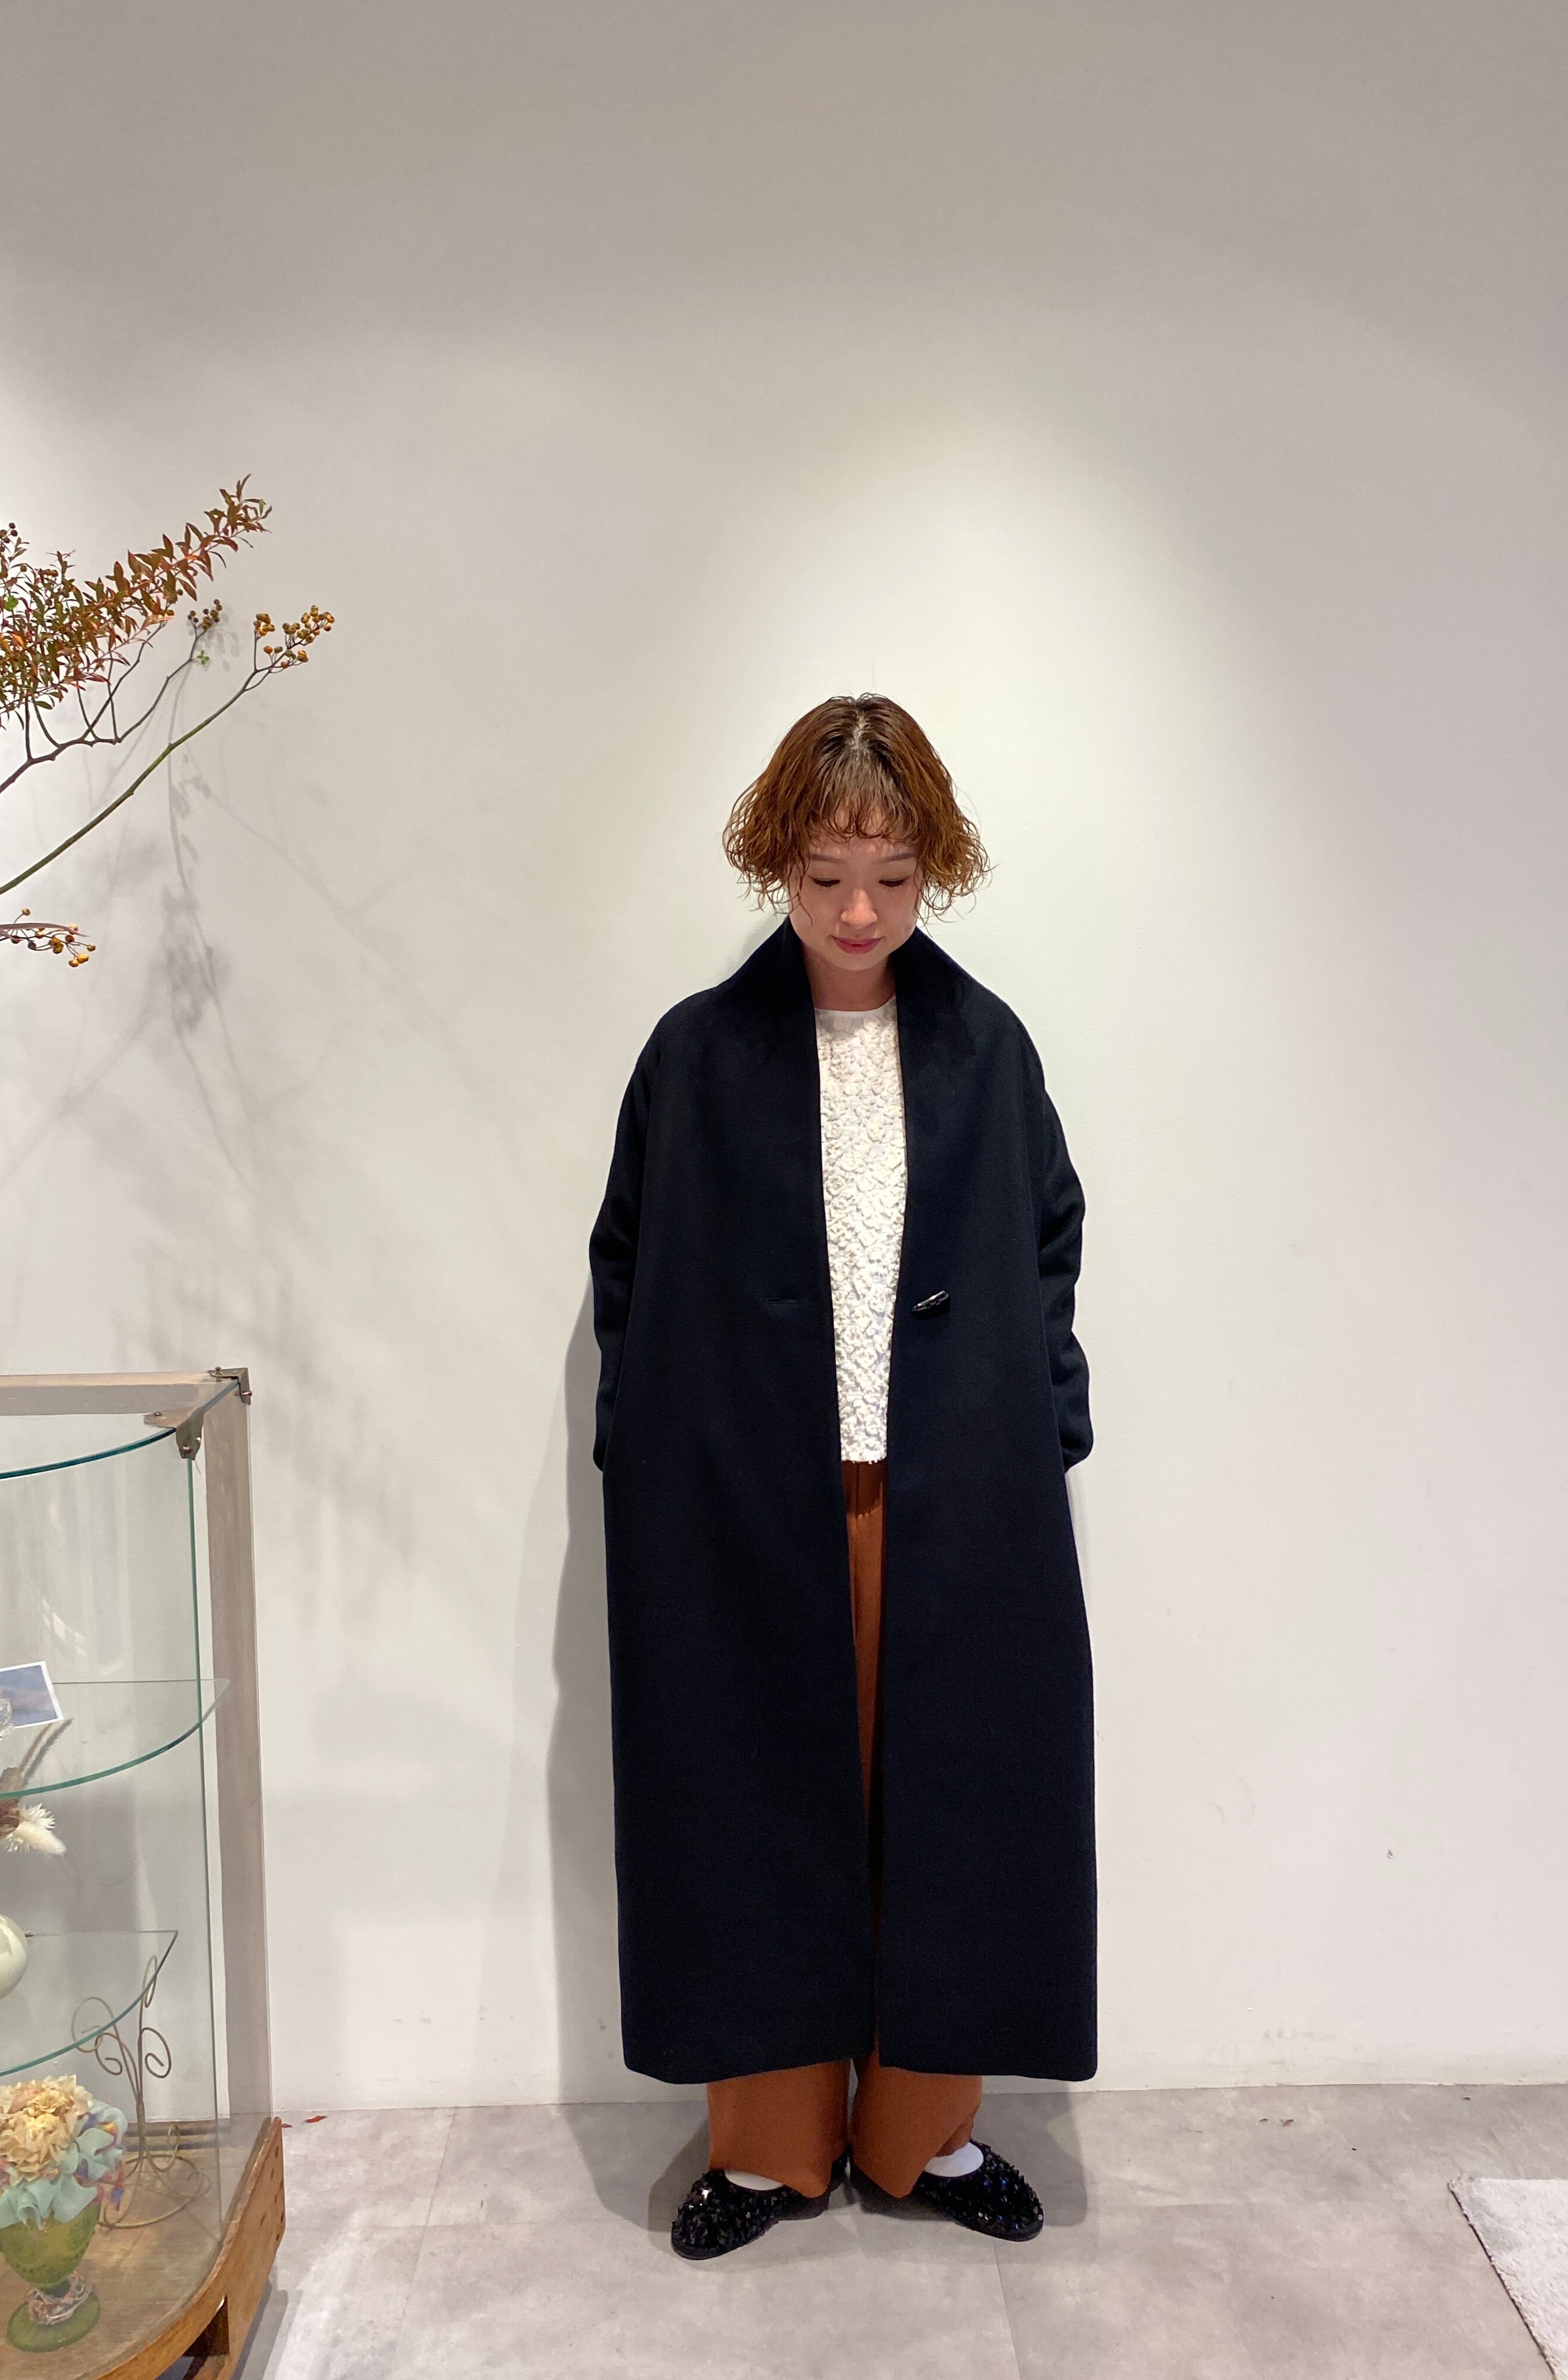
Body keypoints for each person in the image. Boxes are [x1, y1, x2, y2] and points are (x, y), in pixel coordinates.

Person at [588, 694, 1095, 2261]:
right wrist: (645, 1448)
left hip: (952, 1499)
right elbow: (629, 1266)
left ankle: (922, 2135)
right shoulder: (697, 1054)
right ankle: (771, 2152)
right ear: (777, 867)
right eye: (825, 877)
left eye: (892, 876)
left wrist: (1045, 1421)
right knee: (753, 1804)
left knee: (956, 1816)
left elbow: (1049, 1240)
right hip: (748, 1503)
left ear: (934, 867)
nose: (860, 911)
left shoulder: (986, 1049)